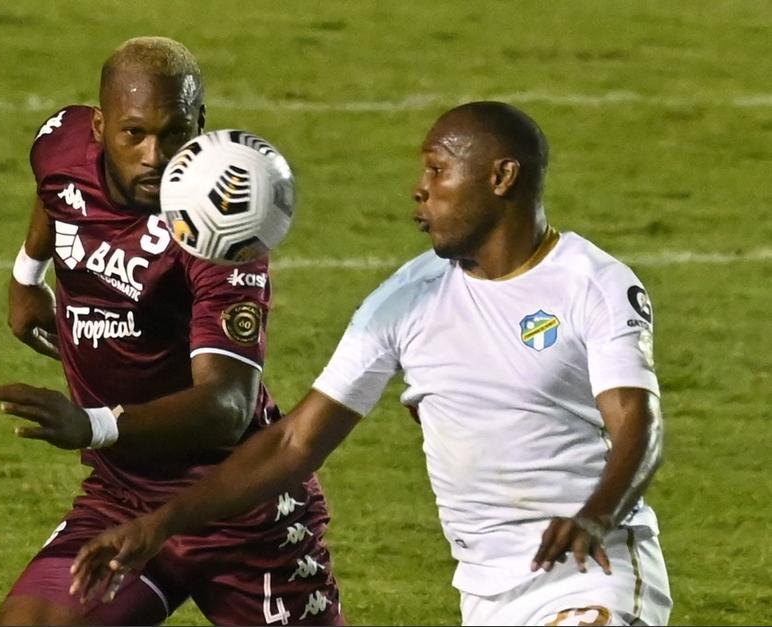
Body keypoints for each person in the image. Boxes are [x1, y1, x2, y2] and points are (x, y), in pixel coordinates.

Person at [64, 101, 674, 626]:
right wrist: (160, 525)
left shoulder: (592, 284)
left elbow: (637, 425)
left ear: (501, 177)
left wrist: (596, 517)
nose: (420, 187)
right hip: (487, 591)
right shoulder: (406, 300)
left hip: (594, 573)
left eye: (438, 170)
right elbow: (294, 443)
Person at [0, 36, 344, 626]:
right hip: (123, 495)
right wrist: (27, 275)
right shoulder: (62, 142)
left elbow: (228, 405)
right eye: (134, 134)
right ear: (99, 128)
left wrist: (92, 425)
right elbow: (55, 189)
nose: (155, 155)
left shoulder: (220, 231)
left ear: (198, 125)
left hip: (236, 506)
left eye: (174, 133)